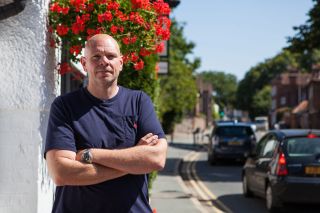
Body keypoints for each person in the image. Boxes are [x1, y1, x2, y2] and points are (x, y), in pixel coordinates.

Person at [44, 34, 168, 213]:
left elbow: (156, 158)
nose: (104, 62)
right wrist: (133, 163)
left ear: (121, 62)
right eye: (96, 57)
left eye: (110, 56)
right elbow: (61, 173)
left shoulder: (139, 102)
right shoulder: (65, 106)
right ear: (84, 63)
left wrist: (92, 154)